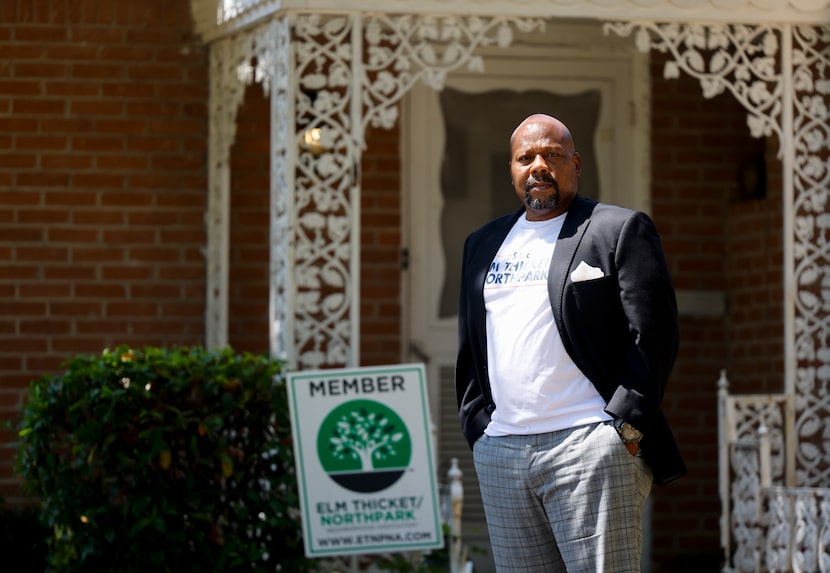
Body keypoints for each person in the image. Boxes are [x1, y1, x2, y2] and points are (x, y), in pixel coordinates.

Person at [455, 113, 686, 572]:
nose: (539, 165)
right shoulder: (482, 243)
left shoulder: (616, 229)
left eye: (553, 155)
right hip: (503, 450)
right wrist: (478, 428)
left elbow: (654, 334)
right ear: (512, 169)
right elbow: (471, 343)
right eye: (526, 157)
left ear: (575, 164)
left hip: (590, 445)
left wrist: (624, 427)